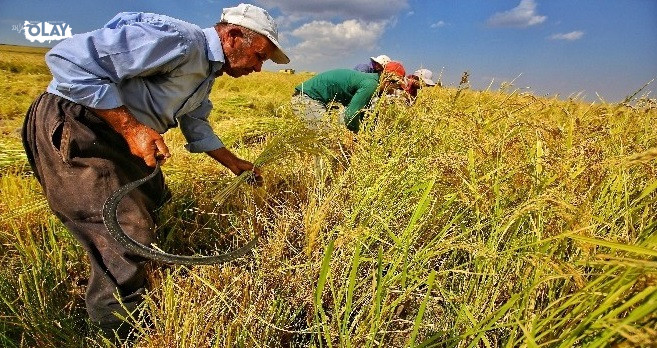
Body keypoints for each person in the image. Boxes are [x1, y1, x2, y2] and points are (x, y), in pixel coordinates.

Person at [21, 3, 289, 341]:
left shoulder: (206, 72)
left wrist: (234, 164)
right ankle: (118, 331)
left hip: (115, 131)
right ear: (234, 36)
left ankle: (139, 277)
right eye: (259, 56)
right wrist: (133, 128)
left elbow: (195, 122)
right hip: (81, 122)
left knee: (156, 198)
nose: (258, 67)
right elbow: (68, 60)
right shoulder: (180, 39)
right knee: (124, 228)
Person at [292, 62, 406, 132]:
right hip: (306, 98)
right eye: (396, 87)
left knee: (335, 130)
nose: (394, 91)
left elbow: (362, 113)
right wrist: (358, 135)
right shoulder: (371, 85)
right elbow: (350, 115)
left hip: (313, 98)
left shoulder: (372, 82)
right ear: (389, 81)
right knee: (327, 136)